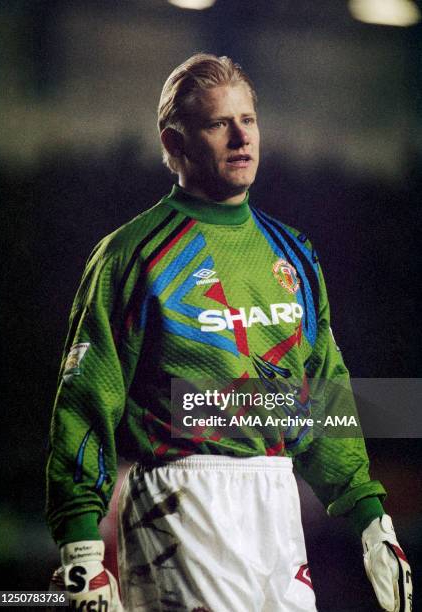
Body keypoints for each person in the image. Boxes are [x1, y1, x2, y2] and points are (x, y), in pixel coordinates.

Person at [47, 54, 412, 612]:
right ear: (175, 143)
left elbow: (320, 393)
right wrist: (80, 546)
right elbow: (85, 397)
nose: (241, 136)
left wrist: (370, 517)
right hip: (181, 500)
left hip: (277, 498)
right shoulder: (132, 255)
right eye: (219, 123)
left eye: (249, 119)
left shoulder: (294, 253)